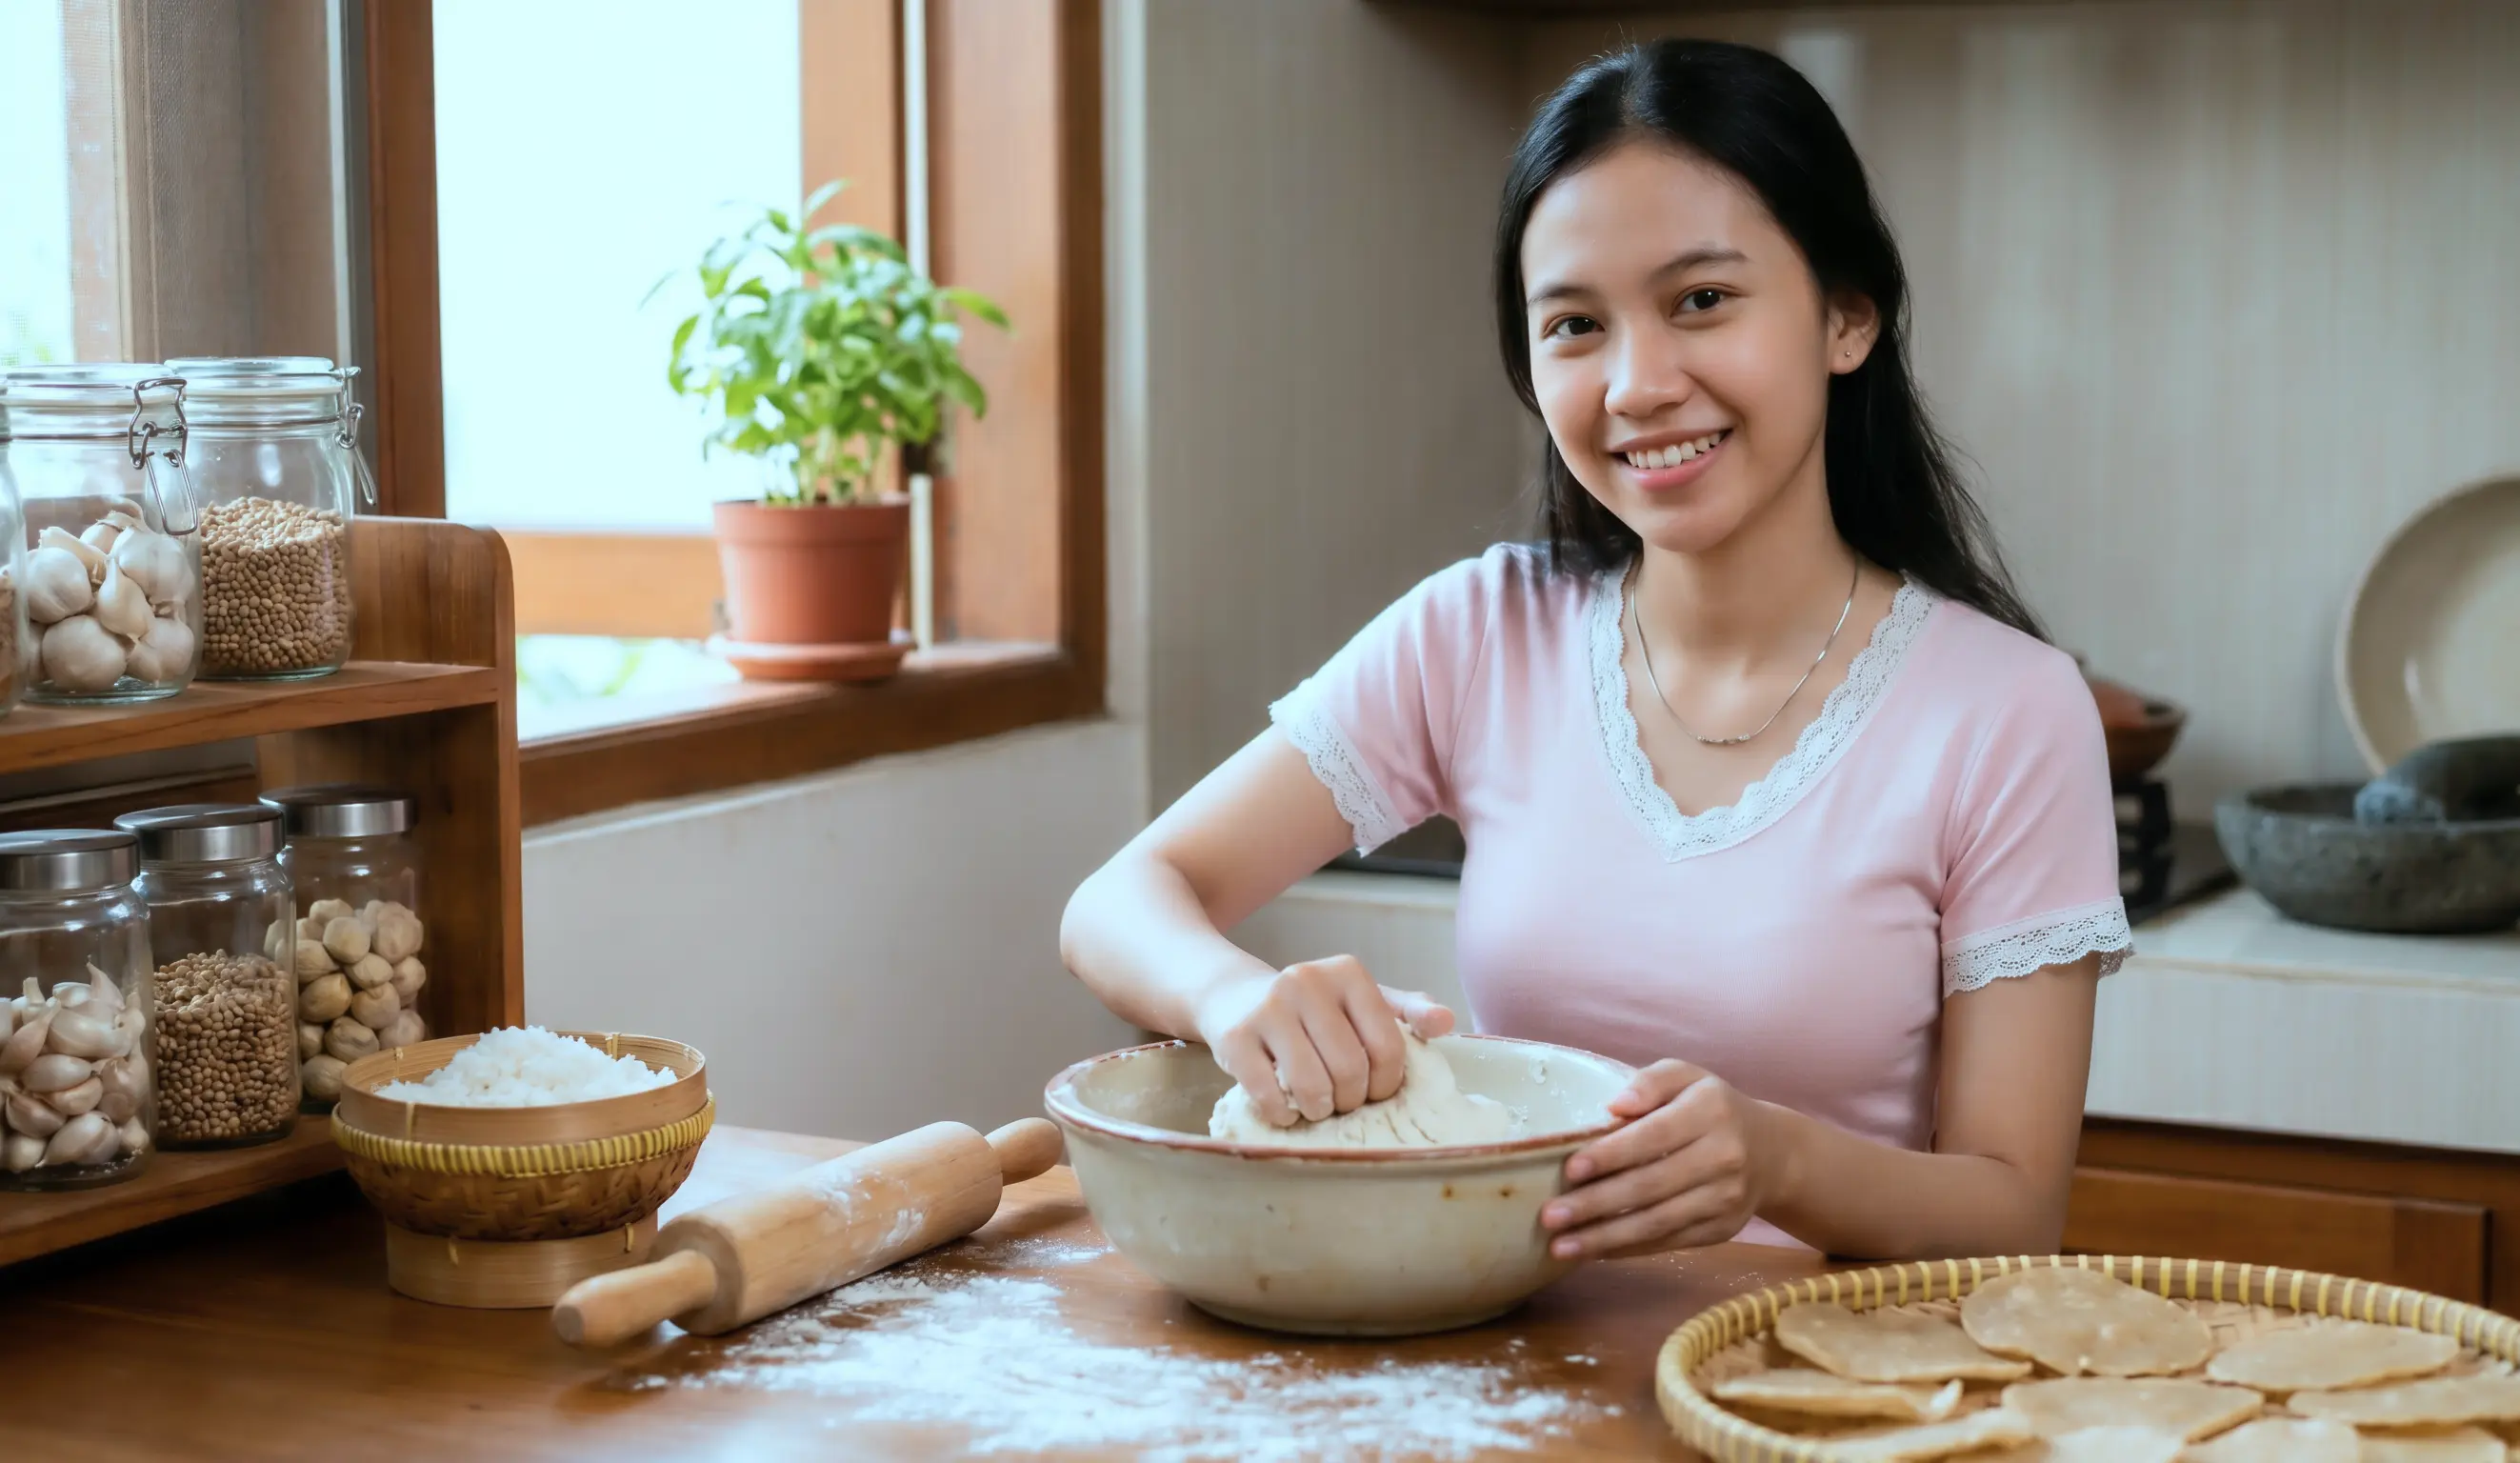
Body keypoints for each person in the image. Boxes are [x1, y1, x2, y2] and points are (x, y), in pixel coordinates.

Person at [1060, 38, 2126, 1262]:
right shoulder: (1478, 633)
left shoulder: (2009, 712)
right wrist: (1233, 995)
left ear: (1845, 315)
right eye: (1575, 325)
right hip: (1511, 1371)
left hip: (1813, 1403)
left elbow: (2015, 1214)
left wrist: (1777, 1161)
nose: (1636, 384)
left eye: (1702, 302)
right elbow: (1119, 903)